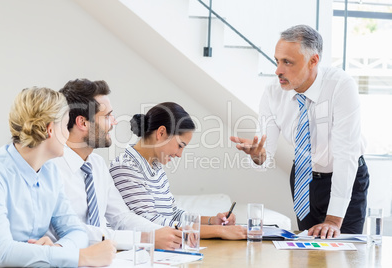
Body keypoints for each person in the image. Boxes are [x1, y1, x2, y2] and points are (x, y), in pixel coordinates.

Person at [230, 25, 369, 238]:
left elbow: (345, 155)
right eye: (277, 61)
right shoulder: (272, 93)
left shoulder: (341, 86)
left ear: (313, 61)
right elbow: (265, 154)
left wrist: (333, 220)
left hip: (345, 177)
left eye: (287, 62)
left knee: (343, 253)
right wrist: (258, 157)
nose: (278, 70)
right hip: (304, 179)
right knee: (306, 252)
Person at [0, 87, 115, 267]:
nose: (68, 134)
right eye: (65, 126)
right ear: (50, 130)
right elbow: (2, 253)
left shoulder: (50, 171)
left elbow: (76, 231)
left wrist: (57, 250)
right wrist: (80, 257)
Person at [51, 79, 182, 250]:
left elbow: (121, 217)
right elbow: (70, 231)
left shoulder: (97, 165)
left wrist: (165, 233)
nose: (114, 122)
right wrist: (144, 239)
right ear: (82, 123)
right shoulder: (51, 168)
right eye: (107, 116)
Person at [110, 102, 247, 240]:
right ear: (161, 133)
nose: (179, 154)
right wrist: (217, 231)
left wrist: (212, 220)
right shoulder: (124, 168)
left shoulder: (156, 167)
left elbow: (173, 213)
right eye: (180, 146)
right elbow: (153, 223)